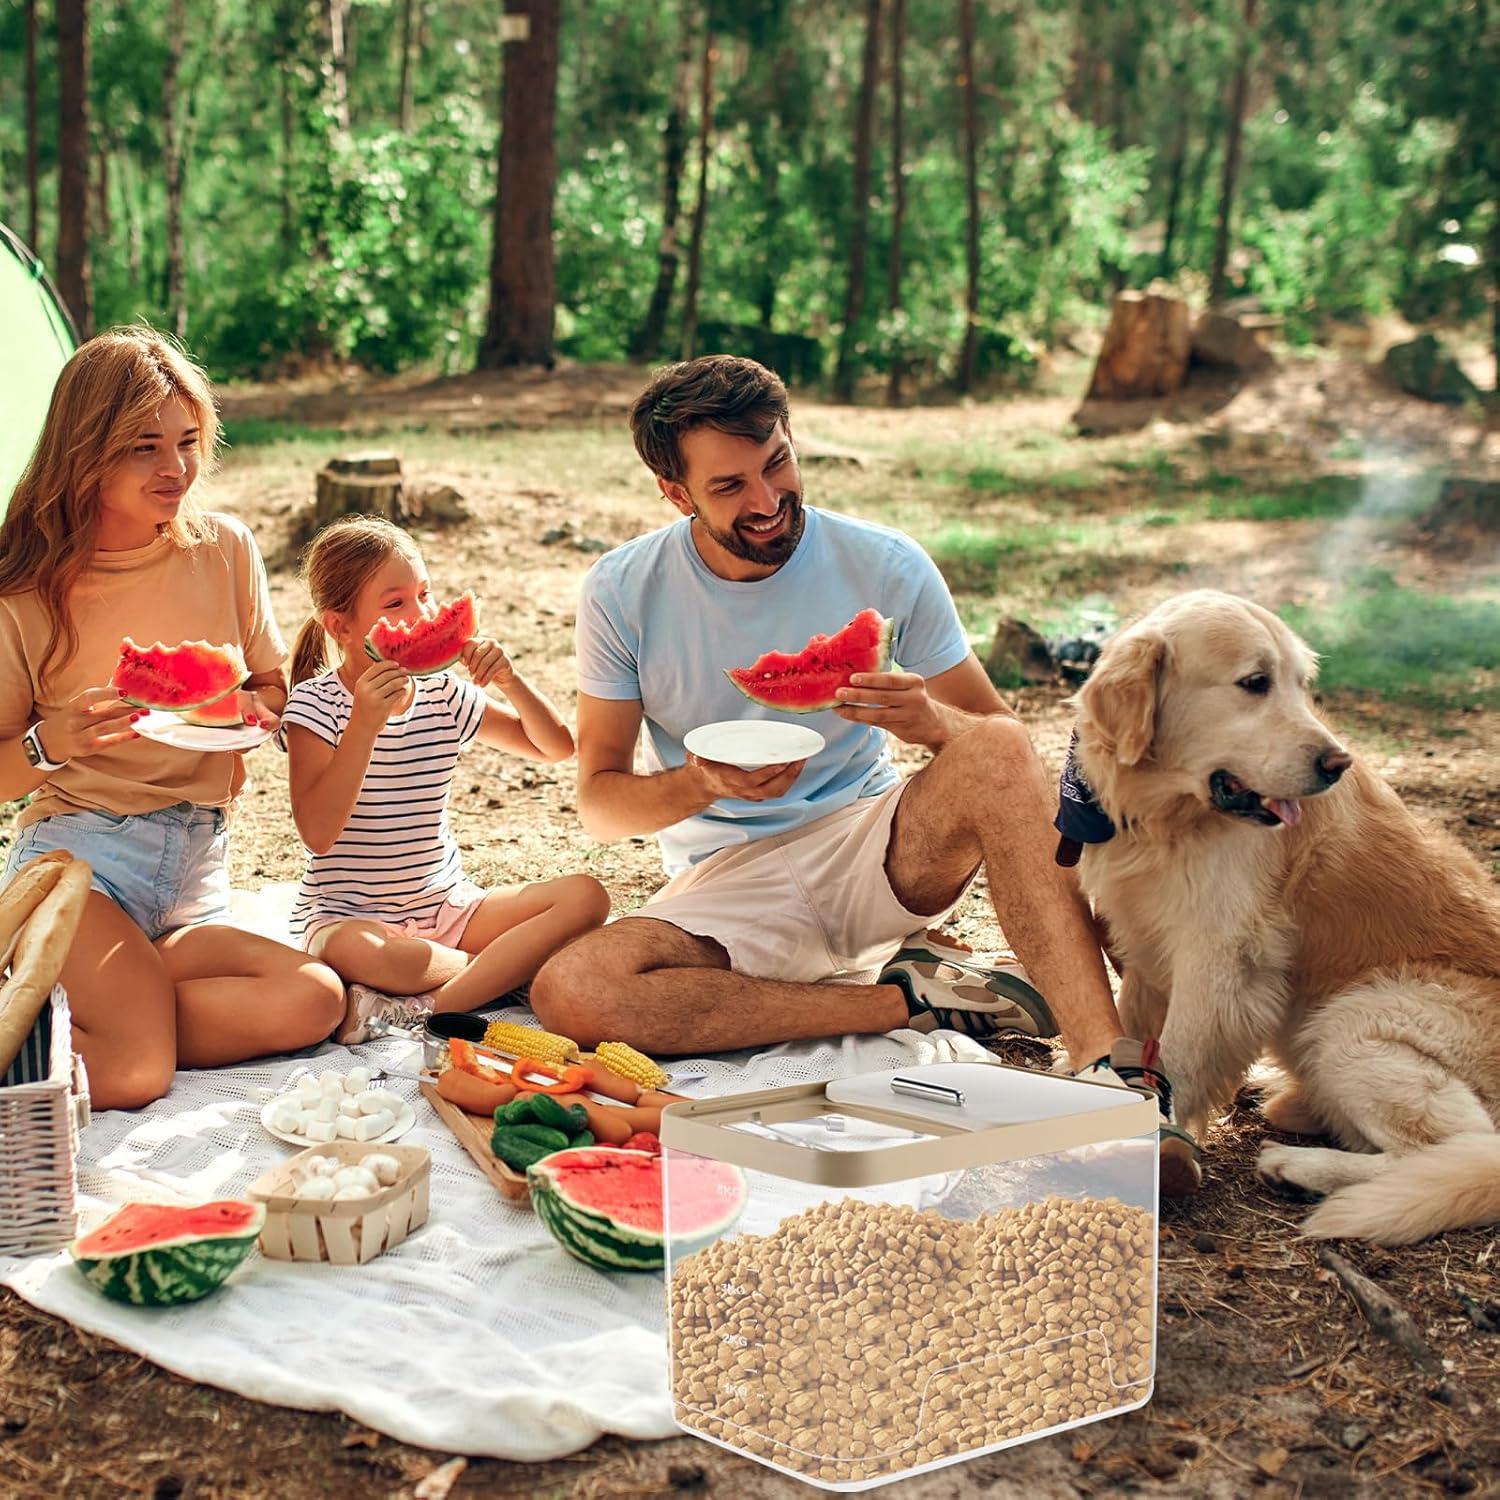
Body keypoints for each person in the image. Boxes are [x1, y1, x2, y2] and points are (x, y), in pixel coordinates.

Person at [529, 355, 1200, 1193]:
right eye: (730, 486)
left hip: (877, 848)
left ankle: (1113, 1074)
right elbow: (598, 803)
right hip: (725, 881)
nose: (769, 502)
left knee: (990, 747)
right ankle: (917, 998)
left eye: (777, 462)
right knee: (572, 991)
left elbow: (1005, 748)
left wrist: (931, 724)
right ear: (676, 494)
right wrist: (703, 784)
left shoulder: (884, 565)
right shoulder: (624, 590)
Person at [0, 326, 345, 1111]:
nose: (176, 469)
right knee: (133, 1072)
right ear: (84, 451)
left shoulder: (225, 547)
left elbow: (268, 690)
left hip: (194, 874)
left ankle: (72, 1004)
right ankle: (95, 1004)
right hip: (80, 864)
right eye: (143, 448)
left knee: (314, 997)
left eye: (189, 442)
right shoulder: (20, 588)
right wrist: (49, 743)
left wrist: (248, 717)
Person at [281, 516, 610, 1042]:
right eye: (395, 604)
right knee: (369, 955)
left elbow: (555, 748)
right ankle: (503, 970)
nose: (419, 616)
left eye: (425, 595)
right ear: (340, 627)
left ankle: (422, 1006)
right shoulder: (315, 706)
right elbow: (318, 833)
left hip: (449, 906)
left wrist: (509, 679)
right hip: (350, 916)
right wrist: (364, 724)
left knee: (586, 897)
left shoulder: (444, 694)